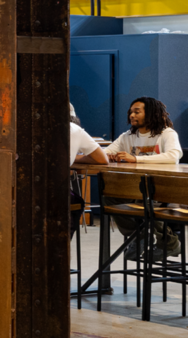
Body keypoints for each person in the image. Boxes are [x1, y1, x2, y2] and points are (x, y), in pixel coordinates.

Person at [103, 97, 183, 261]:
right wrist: (108, 156)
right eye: (130, 112)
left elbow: (174, 155)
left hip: (164, 190)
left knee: (148, 200)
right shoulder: (128, 136)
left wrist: (136, 159)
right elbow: (105, 153)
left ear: (151, 113)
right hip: (136, 188)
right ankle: (139, 236)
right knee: (109, 197)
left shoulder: (166, 133)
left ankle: (169, 243)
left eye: (137, 112)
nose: (132, 115)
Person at [69, 103, 108, 238]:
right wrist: (72, 157)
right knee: (76, 202)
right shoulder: (75, 129)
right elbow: (102, 159)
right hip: (54, 190)